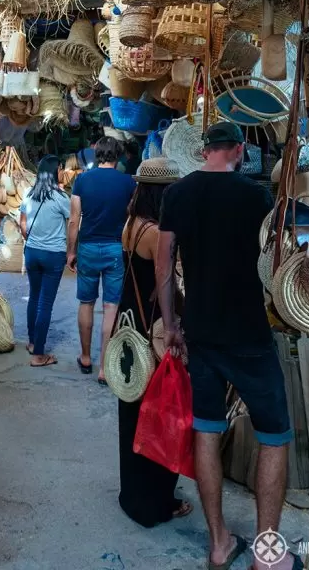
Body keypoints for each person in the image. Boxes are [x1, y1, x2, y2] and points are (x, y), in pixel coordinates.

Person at [156, 122, 299, 570]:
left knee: (207, 429)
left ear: (204, 151)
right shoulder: (257, 198)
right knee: (275, 438)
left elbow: (164, 262)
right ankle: (267, 556)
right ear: (238, 150)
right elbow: (276, 263)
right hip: (250, 336)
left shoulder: (177, 195)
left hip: (201, 333)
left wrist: (172, 322)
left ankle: (219, 543)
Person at [118, 157, 193, 527]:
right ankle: (156, 500)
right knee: (159, 410)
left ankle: (132, 493)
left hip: (128, 320)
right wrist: (174, 325)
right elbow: (164, 279)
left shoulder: (131, 224)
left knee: (131, 410)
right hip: (151, 326)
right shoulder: (155, 232)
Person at [68, 135, 136, 383]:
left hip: (87, 247)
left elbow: (74, 219)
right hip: (115, 248)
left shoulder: (82, 180)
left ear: (97, 155)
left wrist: (71, 251)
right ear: (117, 156)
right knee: (110, 307)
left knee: (86, 302)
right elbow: (132, 215)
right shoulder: (128, 182)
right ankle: (105, 369)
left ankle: (85, 357)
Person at [20, 155, 71, 368]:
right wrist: (71, 251)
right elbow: (72, 225)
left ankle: (32, 342)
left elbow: (23, 224)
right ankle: (39, 355)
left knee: (34, 297)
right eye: (60, 168)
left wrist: (33, 239)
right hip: (53, 255)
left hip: (32, 252)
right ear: (54, 171)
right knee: (45, 304)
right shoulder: (61, 198)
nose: (62, 172)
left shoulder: (28, 194)